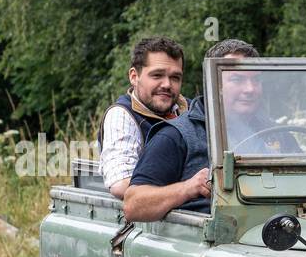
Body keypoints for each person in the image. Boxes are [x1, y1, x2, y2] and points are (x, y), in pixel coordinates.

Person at [125, 39, 278, 222]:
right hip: (210, 243)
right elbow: (133, 205)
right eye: (237, 79)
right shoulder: (176, 136)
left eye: (256, 80)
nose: (250, 89)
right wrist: (188, 188)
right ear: (213, 83)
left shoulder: (276, 134)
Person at [97, 36, 187, 199]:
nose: (167, 84)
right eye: (157, 75)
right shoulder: (123, 116)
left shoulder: (190, 110)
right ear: (134, 76)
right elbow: (122, 184)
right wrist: (188, 189)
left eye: (175, 77)